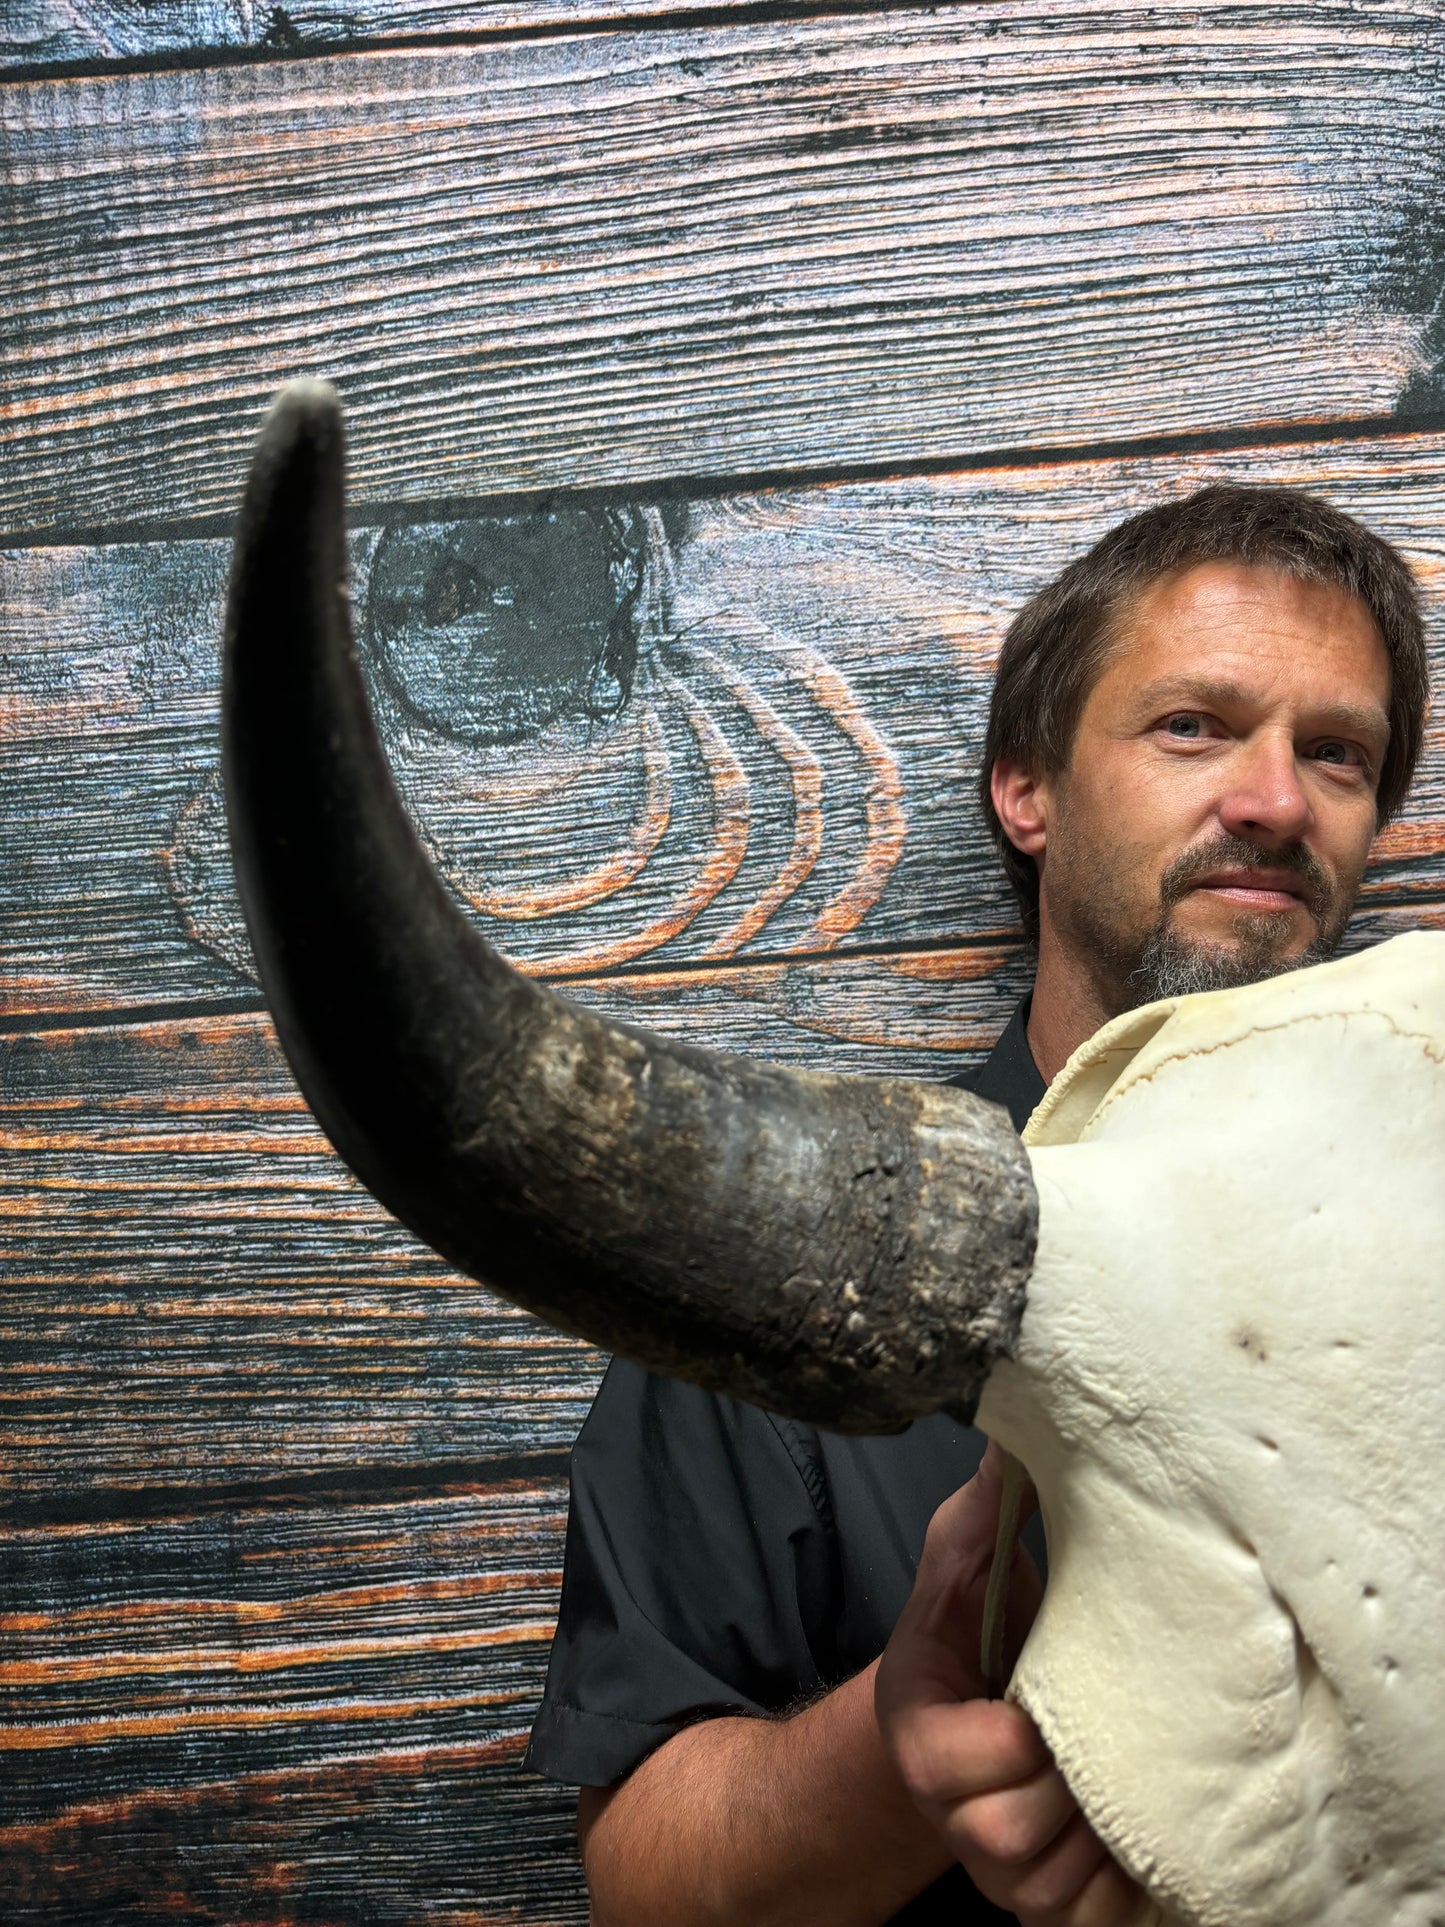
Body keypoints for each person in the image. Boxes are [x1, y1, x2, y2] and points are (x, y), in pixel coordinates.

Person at [525, 485, 1429, 1925]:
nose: (1270, 799)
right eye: (1190, 725)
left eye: (1335, 753)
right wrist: (897, 1754)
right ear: (1027, 790)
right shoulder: (799, 1254)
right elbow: (643, 1876)